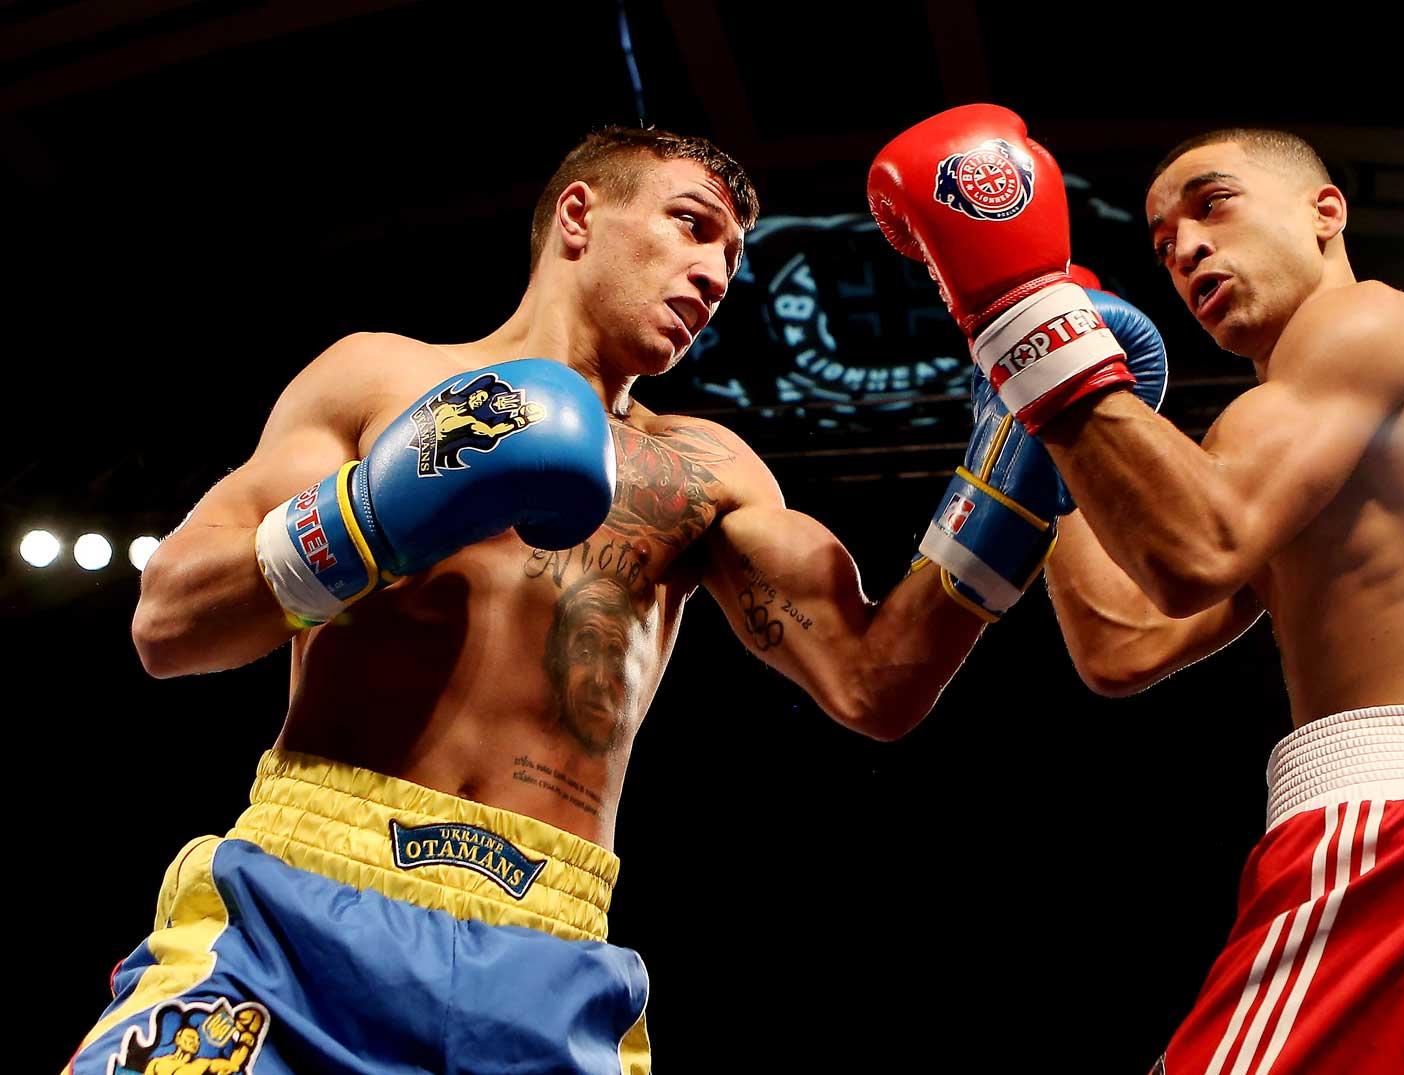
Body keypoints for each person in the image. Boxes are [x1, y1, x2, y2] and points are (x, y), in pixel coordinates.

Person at [68, 125, 1057, 1075]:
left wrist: (1014, 480)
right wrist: (371, 515)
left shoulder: (706, 472)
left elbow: (874, 683)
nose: (717, 274)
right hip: (299, 911)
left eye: (733, 253)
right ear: (579, 215)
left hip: (544, 953)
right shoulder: (381, 378)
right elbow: (168, 624)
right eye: (691, 224)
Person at [869, 105, 1404, 1074]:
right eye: (1166, 243)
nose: (1188, 250)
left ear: (1325, 212)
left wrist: (1021, 314)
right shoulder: (1289, 442)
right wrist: (1045, 429)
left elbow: (1199, 545)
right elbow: (1122, 643)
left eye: (1212, 207)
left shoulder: (1367, 324)